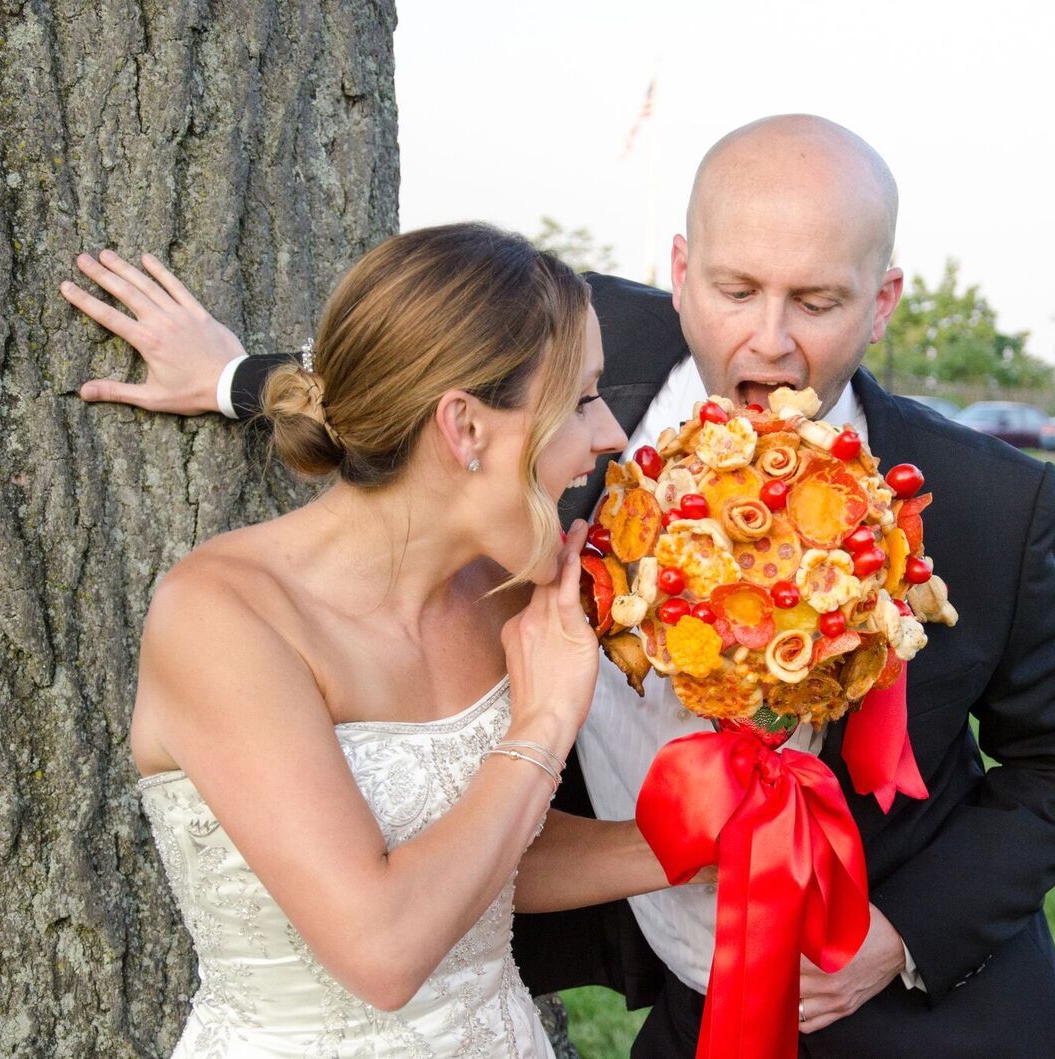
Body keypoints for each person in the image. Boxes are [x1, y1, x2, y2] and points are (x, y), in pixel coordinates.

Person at [67, 115, 1055, 1057]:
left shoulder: (990, 501)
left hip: (912, 1018)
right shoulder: (570, 350)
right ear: (679, 268)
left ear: (881, 299)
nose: (768, 338)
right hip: (661, 1000)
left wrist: (895, 939)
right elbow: (409, 382)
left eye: (815, 301)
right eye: (734, 290)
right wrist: (228, 376)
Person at [96, 223, 703, 1056]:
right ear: (465, 429)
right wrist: (544, 722)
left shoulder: (504, 596)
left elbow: (486, 863)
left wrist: (695, 843)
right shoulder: (222, 618)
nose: (608, 437)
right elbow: (381, 951)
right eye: (581, 399)